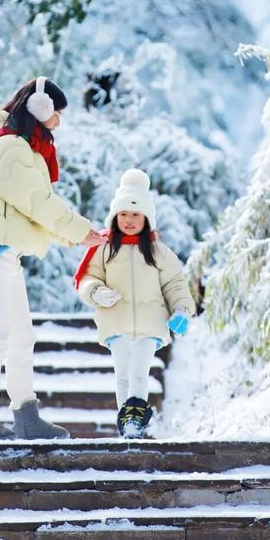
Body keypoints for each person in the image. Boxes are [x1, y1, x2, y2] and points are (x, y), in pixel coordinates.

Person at [0, 77, 103, 440]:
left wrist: (78, 236)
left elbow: (29, 211)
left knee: (21, 336)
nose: (58, 123)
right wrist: (80, 230)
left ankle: (26, 415)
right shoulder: (11, 148)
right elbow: (37, 201)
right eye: (56, 114)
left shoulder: (14, 144)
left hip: (2, 249)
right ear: (39, 109)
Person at [74, 169, 195, 438]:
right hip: (116, 321)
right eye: (124, 215)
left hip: (150, 324)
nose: (129, 220)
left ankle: (136, 421)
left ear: (147, 218)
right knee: (123, 376)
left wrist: (181, 310)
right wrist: (96, 291)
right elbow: (87, 278)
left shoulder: (157, 251)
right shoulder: (104, 248)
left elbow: (175, 283)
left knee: (139, 373)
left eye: (136, 215)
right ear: (115, 217)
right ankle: (125, 423)